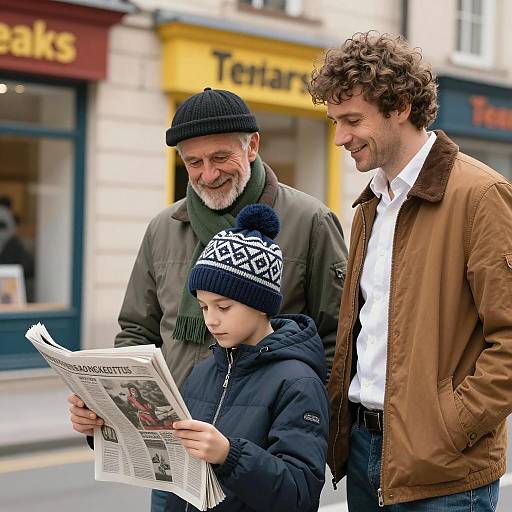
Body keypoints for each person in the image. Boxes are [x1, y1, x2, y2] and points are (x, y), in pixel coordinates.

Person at [68, 88, 347, 510]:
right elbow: (137, 333)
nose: (207, 174)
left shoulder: (310, 221)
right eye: (193, 163)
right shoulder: (163, 227)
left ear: (252, 145)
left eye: (220, 158)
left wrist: (302, 424)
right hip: (176, 457)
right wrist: (107, 407)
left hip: (257, 456)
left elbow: (337, 340)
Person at [308, 31, 512, 511]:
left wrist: (451, 424)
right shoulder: (369, 206)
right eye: (335, 121)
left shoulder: (481, 195)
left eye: (352, 120)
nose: (340, 137)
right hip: (363, 450)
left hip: (444, 468)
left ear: (399, 105)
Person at [169, 203, 328, 511]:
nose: (211, 320)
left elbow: (299, 494)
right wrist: (103, 426)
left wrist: (229, 455)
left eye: (223, 307)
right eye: (203, 307)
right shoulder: (203, 371)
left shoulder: (299, 382)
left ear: (261, 304)